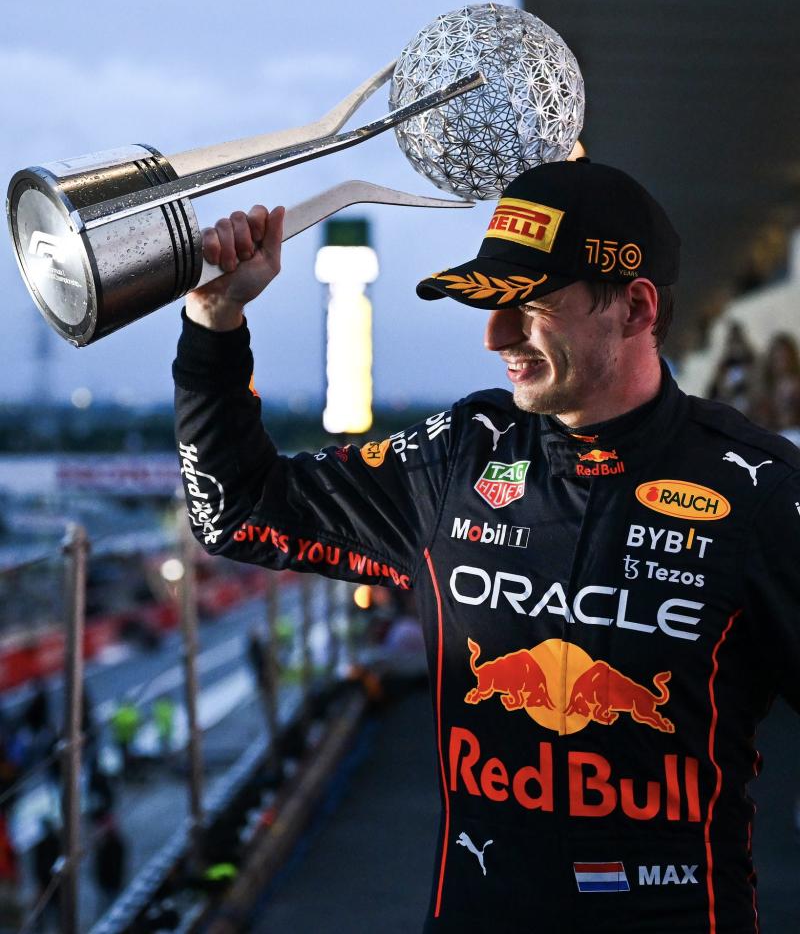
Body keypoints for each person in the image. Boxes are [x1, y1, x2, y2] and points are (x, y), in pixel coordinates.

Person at [173, 159, 800, 933]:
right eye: (493, 304)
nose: (495, 335)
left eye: (529, 305)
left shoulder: (762, 490)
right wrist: (214, 324)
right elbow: (235, 510)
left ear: (635, 308)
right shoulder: (462, 455)